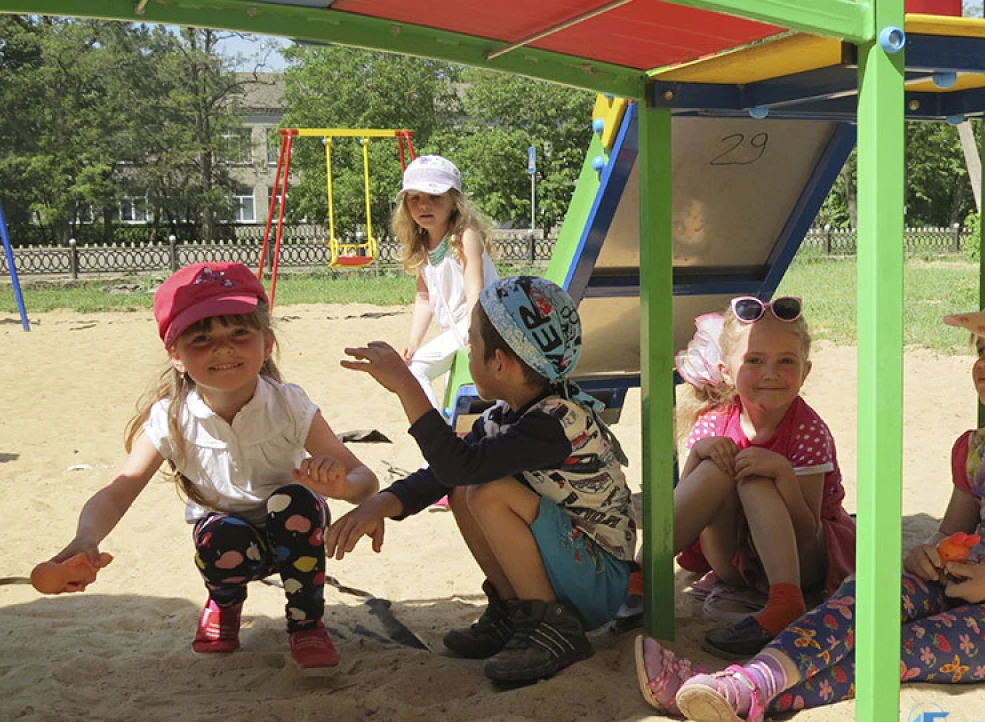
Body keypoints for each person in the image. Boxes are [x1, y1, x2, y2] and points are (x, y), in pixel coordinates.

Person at [635, 281, 985, 722]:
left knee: (903, 648)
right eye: (982, 350)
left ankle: (740, 691)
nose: (984, 361)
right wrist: (927, 557)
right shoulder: (978, 448)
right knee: (862, 598)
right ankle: (744, 682)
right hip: (968, 582)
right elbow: (948, 535)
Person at [39, 262, 380, 670]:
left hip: (295, 536)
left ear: (266, 344)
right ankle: (225, 602)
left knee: (295, 502)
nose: (223, 348)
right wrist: (86, 538)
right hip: (228, 546)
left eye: (239, 333)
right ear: (176, 355)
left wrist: (342, 488)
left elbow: (364, 479)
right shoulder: (171, 418)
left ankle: (306, 622)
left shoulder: (289, 405)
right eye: (202, 338)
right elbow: (119, 490)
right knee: (220, 531)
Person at [329, 276, 637, 684]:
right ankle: (515, 613)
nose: (467, 351)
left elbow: (458, 465)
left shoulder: (555, 423)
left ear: (500, 363)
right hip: (573, 567)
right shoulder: (505, 418)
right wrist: (380, 504)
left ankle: (552, 629)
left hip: (598, 580)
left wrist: (407, 385)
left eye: (472, 344)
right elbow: (447, 475)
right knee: (464, 489)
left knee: (487, 492)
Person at [624, 296, 856, 658]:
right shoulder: (715, 424)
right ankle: (639, 576)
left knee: (754, 478)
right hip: (733, 561)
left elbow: (808, 532)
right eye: (754, 360)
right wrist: (698, 456)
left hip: (800, 564)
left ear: (805, 371)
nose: (770, 373)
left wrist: (782, 475)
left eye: (786, 361)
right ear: (727, 371)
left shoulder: (808, 430)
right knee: (719, 465)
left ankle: (785, 601)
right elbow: (690, 512)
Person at [393, 154, 500, 411]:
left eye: (434, 197)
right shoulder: (421, 245)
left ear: (454, 202)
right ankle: (448, 428)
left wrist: (474, 331)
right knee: (449, 388)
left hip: (483, 320)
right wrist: (413, 342)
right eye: (415, 198)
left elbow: (475, 289)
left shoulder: (464, 237)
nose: (424, 205)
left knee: (418, 370)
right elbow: (424, 299)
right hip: (455, 329)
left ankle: (434, 429)